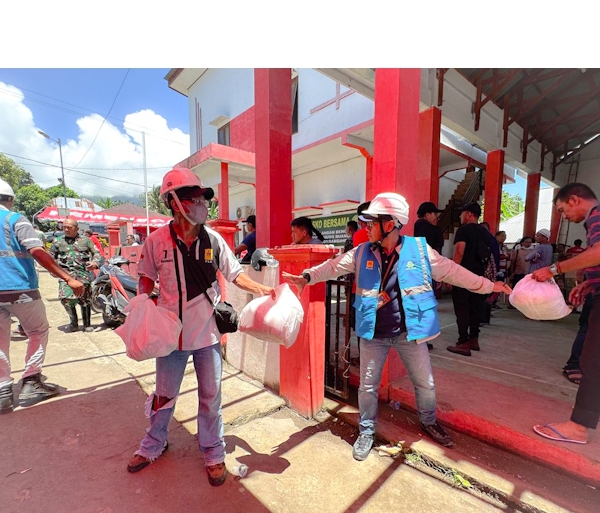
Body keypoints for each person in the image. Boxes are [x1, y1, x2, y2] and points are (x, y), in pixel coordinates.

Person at [282, 192, 510, 460]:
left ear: (390, 224)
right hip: (373, 334)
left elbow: (454, 272)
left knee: (425, 383)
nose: (366, 227)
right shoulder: (362, 252)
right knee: (368, 387)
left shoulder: (421, 251)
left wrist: (489, 286)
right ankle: (366, 431)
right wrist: (307, 277)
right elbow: (333, 267)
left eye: (371, 223)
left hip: (408, 334)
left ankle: (428, 421)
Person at [127, 168, 274, 485]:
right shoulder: (156, 242)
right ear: (174, 202)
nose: (201, 204)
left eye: (201, 199)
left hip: (207, 335)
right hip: (170, 337)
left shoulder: (214, 240)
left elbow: (235, 274)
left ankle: (213, 452)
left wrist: (263, 289)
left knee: (211, 397)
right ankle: (153, 444)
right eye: (193, 198)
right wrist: (142, 305)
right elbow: (146, 277)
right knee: (164, 395)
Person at [0, 178, 85, 414]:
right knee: (37, 331)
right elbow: (37, 251)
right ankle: (31, 380)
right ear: (10, 200)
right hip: (20, 288)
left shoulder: (84, 240)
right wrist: (68, 278)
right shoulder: (14, 219)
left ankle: (3, 390)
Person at [531, 183, 600, 445]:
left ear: (574, 199)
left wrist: (554, 269)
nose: (564, 216)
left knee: (592, 360)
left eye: (562, 210)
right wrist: (591, 282)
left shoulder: (597, 215)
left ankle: (579, 427)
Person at [447, 203, 492, 355]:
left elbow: (459, 252)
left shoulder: (463, 230)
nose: (460, 216)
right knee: (475, 308)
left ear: (468, 214)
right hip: (478, 276)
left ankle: (463, 342)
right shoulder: (485, 232)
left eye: (462, 213)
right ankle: (474, 339)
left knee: (462, 309)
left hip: (462, 276)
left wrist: (451, 274)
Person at [49, 218, 101, 333]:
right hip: (66, 275)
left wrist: (94, 263)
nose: (66, 229)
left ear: (77, 228)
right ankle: (73, 322)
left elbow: (96, 253)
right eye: (64, 227)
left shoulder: (86, 240)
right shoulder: (57, 241)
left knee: (85, 300)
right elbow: (50, 258)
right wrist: (53, 271)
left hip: (83, 274)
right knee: (65, 299)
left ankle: (87, 324)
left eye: (69, 227)